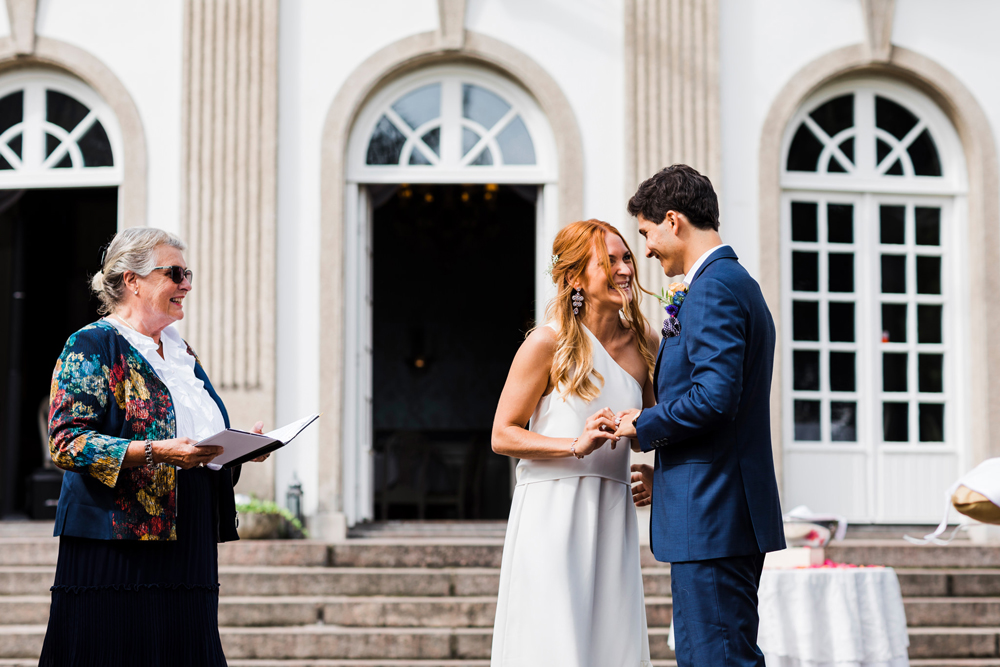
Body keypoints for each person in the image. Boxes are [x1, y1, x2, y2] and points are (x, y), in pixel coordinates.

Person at [38, 227, 269, 667]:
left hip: (189, 534)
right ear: (133, 281)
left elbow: (193, 439)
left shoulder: (182, 353)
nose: (186, 284)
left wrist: (239, 449)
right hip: (119, 541)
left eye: (188, 273)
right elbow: (67, 442)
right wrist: (158, 452)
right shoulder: (92, 344)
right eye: (175, 273)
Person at [615, 165, 786, 667]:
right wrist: (662, 473)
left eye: (646, 234)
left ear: (673, 220)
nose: (645, 250)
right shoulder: (728, 282)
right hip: (716, 510)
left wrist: (640, 425)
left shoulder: (713, 288)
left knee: (717, 658)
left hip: (713, 515)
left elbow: (714, 398)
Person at [490, 219, 657, 667]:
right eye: (611, 261)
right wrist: (574, 445)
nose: (626, 269)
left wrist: (659, 474)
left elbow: (655, 426)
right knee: (553, 645)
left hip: (612, 513)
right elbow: (502, 434)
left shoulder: (645, 345)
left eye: (627, 258)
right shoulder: (548, 343)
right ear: (575, 277)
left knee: (610, 647)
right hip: (552, 515)